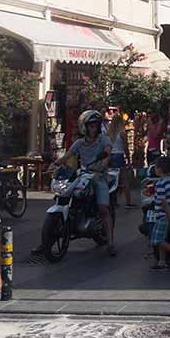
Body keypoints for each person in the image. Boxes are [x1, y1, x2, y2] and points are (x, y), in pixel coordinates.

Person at [56, 110, 116, 256]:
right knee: (63, 195)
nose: (93, 128)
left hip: (99, 176)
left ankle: (110, 242)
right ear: (85, 127)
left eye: (95, 125)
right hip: (82, 175)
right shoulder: (79, 143)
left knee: (103, 209)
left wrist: (102, 163)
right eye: (91, 125)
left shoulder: (104, 140)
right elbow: (68, 155)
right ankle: (46, 240)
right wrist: (56, 163)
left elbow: (107, 153)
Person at [108, 113, 134, 208]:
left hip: (111, 156)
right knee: (125, 180)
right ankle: (128, 202)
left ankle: (113, 201)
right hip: (119, 156)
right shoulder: (122, 133)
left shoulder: (109, 133)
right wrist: (128, 159)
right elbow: (126, 148)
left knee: (113, 181)